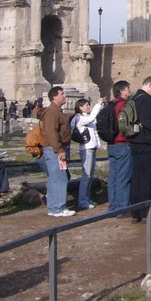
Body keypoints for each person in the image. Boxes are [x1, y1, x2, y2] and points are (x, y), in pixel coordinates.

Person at [127, 77, 151, 222]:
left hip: (134, 141)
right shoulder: (146, 100)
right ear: (150, 85)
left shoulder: (133, 98)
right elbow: (148, 122)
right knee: (145, 178)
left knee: (136, 177)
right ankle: (143, 212)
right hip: (145, 143)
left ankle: (134, 211)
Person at [38, 85, 74, 217]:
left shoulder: (57, 111)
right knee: (60, 178)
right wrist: (59, 150)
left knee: (56, 178)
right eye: (62, 94)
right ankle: (58, 207)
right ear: (54, 96)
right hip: (55, 150)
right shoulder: (52, 112)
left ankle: (54, 207)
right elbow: (51, 133)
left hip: (56, 149)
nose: (65, 96)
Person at [71, 97, 107, 210]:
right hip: (86, 149)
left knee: (90, 176)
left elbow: (96, 119)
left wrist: (102, 106)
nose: (88, 107)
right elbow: (92, 117)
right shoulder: (79, 118)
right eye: (86, 105)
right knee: (86, 176)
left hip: (92, 147)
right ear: (80, 107)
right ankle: (82, 201)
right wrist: (98, 104)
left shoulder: (86, 118)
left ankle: (87, 198)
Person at [106, 81, 134, 214]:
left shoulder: (110, 104)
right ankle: (122, 208)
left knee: (113, 178)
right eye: (128, 89)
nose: (129, 91)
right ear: (122, 91)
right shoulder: (123, 105)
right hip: (122, 143)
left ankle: (112, 206)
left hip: (111, 144)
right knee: (123, 177)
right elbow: (125, 126)